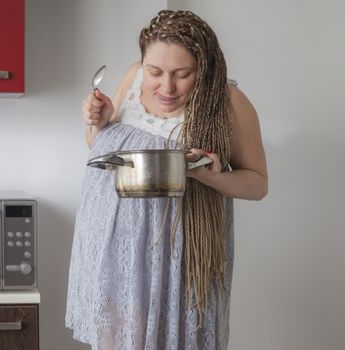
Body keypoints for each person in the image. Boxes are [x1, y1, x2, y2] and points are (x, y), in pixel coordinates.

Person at [66, 10, 268, 350]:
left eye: (183, 74)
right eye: (154, 72)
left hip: (176, 261)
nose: (166, 87)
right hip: (115, 250)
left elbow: (259, 184)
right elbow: (103, 150)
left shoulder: (229, 103)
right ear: (142, 63)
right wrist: (98, 124)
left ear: (204, 68)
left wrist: (211, 176)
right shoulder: (132, 79)